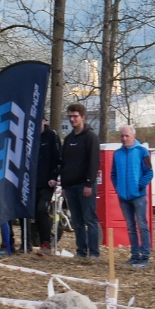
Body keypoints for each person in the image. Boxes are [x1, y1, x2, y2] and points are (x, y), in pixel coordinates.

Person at [59, 103, 100, 261]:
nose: (72, 119)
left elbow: (94, 162)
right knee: (77, 221)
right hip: (70, 187)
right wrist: (64, 185)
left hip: (85, 185)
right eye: (70, 116)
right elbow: (64, 163)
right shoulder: (68, 139)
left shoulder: (91, 137)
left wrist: (89, 184)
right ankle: (81, 251)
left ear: (82, 117)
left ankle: (94, 252)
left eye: (75, 116)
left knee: (90, 219)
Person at [112, 124, 154, 268]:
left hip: (138, 196)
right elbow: (113, 174)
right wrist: (118, 188)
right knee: (130, 227)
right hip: (124, 197)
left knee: (142, 226)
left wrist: (140, 185)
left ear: (133, 136)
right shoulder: (117, 154)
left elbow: (149, 172)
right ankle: (135, 255)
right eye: (122, 136)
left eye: (127, 136)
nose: (124, 138)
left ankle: (145, 255)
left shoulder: (142, 151)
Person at [32, 117, 62, 256]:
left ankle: (46, 243)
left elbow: (58, 158)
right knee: (34, 213)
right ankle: (32, 241)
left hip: (47, 183)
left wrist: (54, 177)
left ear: (44, 120)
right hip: (33, 182)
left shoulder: (52, 135)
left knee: (41, 209)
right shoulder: (30, 135)